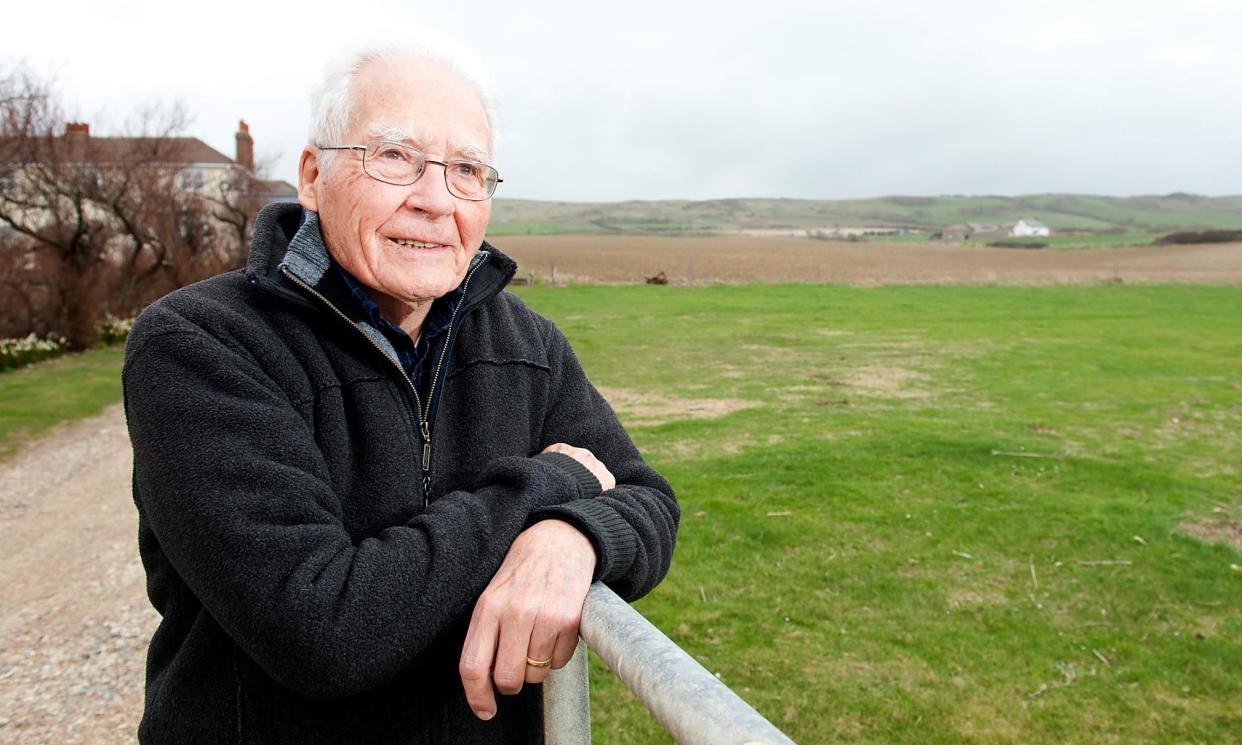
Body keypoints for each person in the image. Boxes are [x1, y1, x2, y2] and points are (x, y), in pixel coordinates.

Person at [122, 35, 678, 745]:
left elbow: (648, 499)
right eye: (394, 156)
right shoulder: (203, 344)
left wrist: (572, 534)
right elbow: (321, 627)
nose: (434, 200)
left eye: (467, 169)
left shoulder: (525, 343)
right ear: (313, 174)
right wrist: (547, 485)